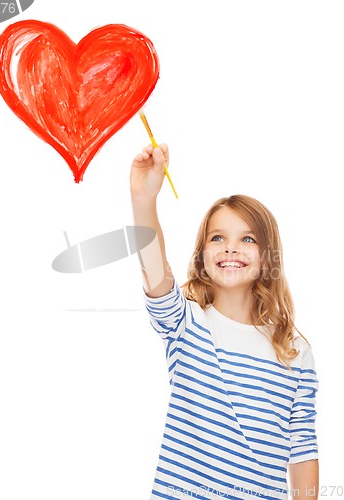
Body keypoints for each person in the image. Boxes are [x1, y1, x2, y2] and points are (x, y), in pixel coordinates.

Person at [130, 144, 319, 500]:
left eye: (247, 238)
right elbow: (154, 269)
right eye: (218, 238)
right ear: (202, 255)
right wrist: (144, 199)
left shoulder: (294, 351)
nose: (231, 248)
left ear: (268, 257)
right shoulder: (185, 324)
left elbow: (303, 450)